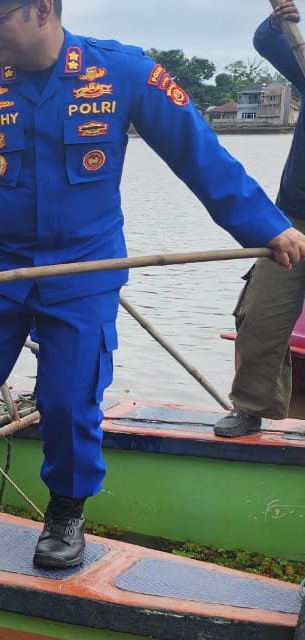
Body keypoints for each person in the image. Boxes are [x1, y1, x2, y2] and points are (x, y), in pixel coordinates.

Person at [0, 0, 305, 570]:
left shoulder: (123, 72)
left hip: (83, 271)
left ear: (42, 8)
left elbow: (198, 154)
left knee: (69, 400)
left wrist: (267, 226)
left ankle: (65, 513)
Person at [215, 0, 305, 438]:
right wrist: (276, 23)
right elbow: (268, 43)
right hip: (293, 221)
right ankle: (250, 408)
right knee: (260, 314)